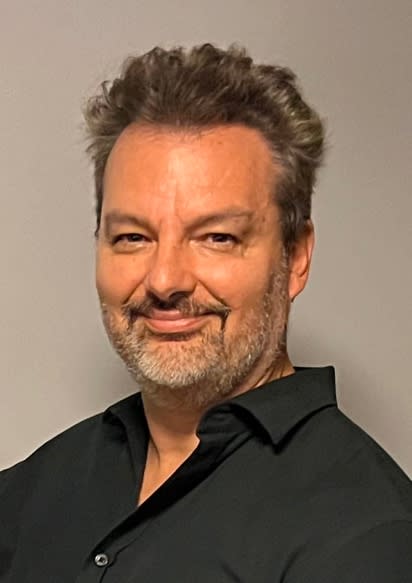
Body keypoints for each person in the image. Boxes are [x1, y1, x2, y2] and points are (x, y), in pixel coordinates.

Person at [0, 43, 411, 583]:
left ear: (296, 257)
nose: (165, 280)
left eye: (216, 237)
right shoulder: (28, 495)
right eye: (132, 237)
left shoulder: (366, 535)